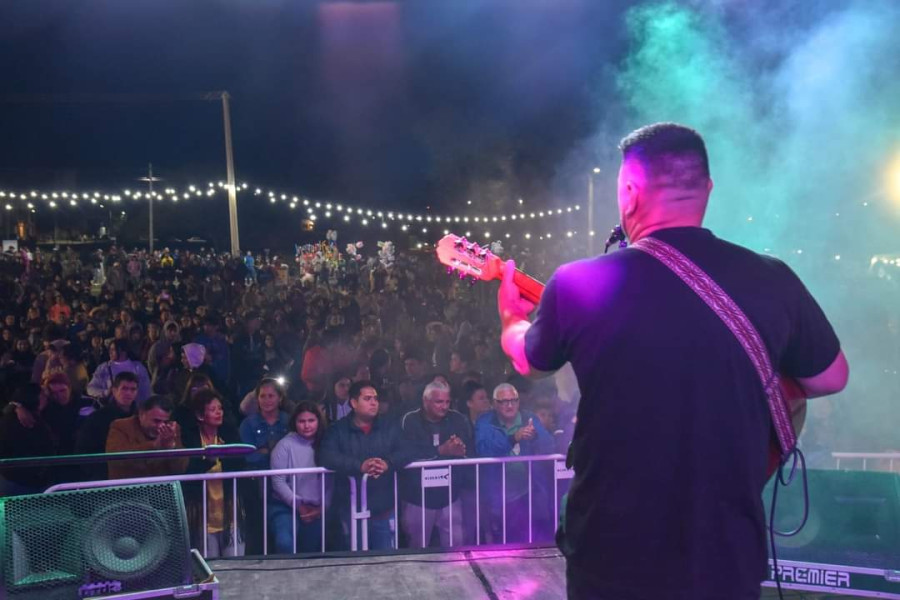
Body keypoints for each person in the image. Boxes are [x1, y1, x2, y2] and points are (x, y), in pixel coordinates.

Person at [496, 123, 849, 600]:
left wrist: (511, 320)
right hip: (725, 553)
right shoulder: (773, 278)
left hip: (612, 551)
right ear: (707, 189)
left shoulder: (578, 282)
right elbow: (831, 376)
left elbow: (530, 362)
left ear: (629, 193)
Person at [318, 380, 415, 550]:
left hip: (383, 507)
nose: (374, 403)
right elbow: (326, 456)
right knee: (354, 560)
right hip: (350, 508)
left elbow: (408, 450)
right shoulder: (338, 429)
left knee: (384, 558)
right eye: (367, 398)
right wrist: (359, 466)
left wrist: (387, 463)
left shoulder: (389, 426)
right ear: (354, 403)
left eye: (375, 399)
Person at [475, 383, 554, 544]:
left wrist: (536, 437)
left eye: (513, 400)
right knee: (504, 544)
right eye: (504, 401)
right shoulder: (485, 421)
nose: (510, 405)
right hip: (498, 495)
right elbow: (483, 449)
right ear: (495, 403)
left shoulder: (529, 418)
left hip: (529, 491)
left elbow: (550, 445)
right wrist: (513, 438)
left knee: (534, 540)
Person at [399, 380, 472, 548]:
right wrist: (441, 450)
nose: (444, 406)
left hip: (450, 496)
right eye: (439, 402)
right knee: (417, 549)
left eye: (447, 402)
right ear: (425, 401)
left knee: (456, 548)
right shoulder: (410, 420)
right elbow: (407, 453)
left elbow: (468, 452)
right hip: (417, 498)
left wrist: (460, 450)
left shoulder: (458, 419)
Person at [181, 390, 245, 557]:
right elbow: (186, 471)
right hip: (202, 514)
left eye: (220, 408)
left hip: (229, 511)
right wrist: (208, 461)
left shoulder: (229, 434)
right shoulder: (190, 438)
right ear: (200, 415)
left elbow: (241, 463)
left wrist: (224, 457)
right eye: (213, 409)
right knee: (209, 566)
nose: (219, 412)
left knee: (236, 563)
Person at [269, 402, 328, 554]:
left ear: (318, 421)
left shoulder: (326, 444)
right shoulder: (284, 445)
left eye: (311, 420)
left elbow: (331, 480)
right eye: (302, 421)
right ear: (294, 423)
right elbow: (278, 481)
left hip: (315, 508)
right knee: (285, 543)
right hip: (285, 506)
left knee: (310, 553)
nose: (306, 425)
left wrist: (322, 508)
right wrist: (299, 505)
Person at [106, 394, 189, 480]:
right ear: (141, 415)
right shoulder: (120, 426)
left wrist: (171, 448)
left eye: (165, 422)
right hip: (128, 485)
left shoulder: (172, 429)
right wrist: (154, 445)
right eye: (156, 421)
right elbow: (115, 459)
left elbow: (181, 469)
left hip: (162, 486)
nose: (160, 426)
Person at [75, 372, 140, 480]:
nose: (128, 393)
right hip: (105, 475)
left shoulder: (141, 417)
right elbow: (83, 449)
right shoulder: (97, 418)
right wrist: (98, 473)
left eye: (133, 389)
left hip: (135, 473)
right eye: (124, 388)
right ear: (114, 390)